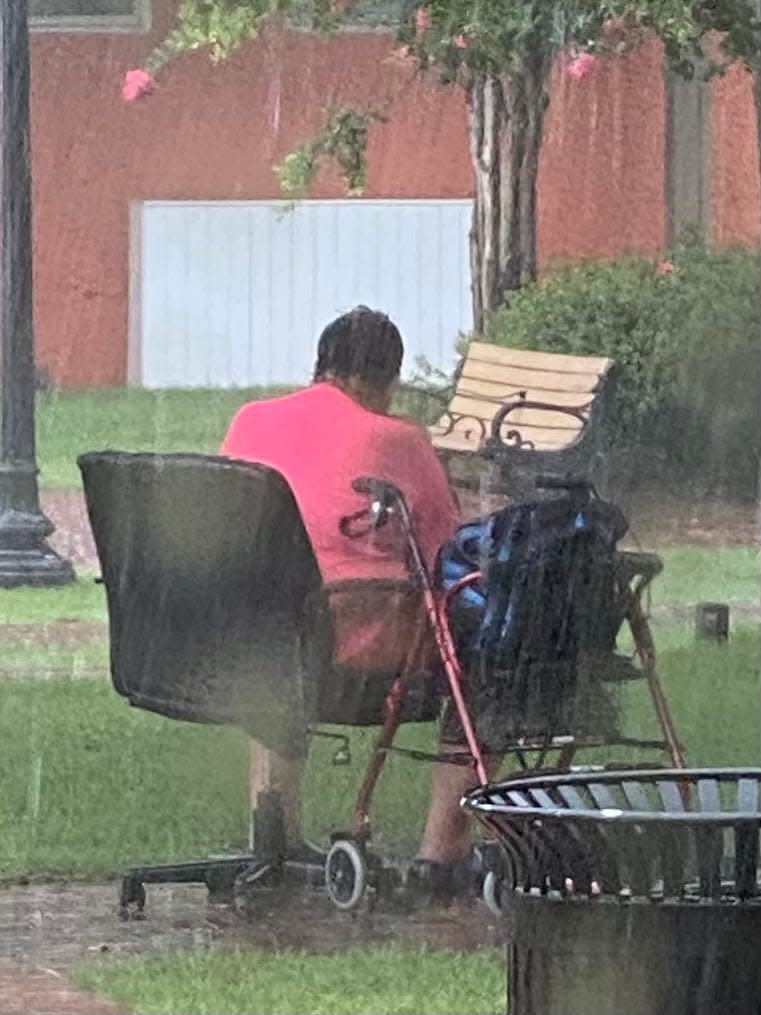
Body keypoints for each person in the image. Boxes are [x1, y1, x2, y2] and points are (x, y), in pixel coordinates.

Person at [220, 306, 482, 894]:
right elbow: (446, 550)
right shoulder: (399, 438)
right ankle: (442, 855)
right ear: (385, 380)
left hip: (247, 647)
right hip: (352, 650)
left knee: (281, 622)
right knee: (482, 656)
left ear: (322, 366)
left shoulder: (250, 422)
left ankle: (277, 831)